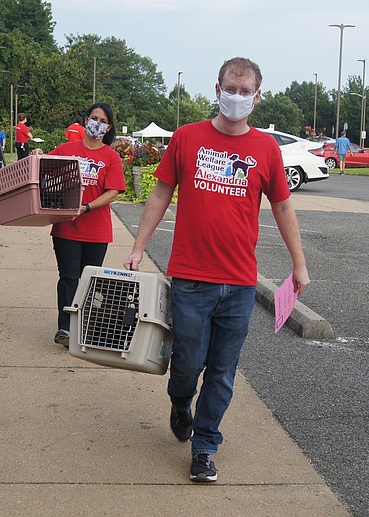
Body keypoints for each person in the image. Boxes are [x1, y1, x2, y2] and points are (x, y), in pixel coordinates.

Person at [124, 57, 310, 483]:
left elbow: (282, 205)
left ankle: (205, 445)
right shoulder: (188, 138)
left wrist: (299, 265)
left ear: (257, 96)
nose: (237, 97)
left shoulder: (266, 149)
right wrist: (138, 248)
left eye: (246, 92)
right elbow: (160, 194)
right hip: (190, 277)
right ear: (217, 88)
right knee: (187, 361)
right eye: (232, 88)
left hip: (240, 282)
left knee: (223, 371)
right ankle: (179, 399)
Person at [33, 103, 126, 348]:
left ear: (108, 127)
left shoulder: (110, 156)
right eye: (93, 118)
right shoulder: (66, 149)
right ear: (86, 120)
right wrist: (37, 153)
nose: (97, 123)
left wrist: (87, 207)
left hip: (96, 229)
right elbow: (42, 167)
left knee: (88, 280)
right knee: (69, 277)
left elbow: (113, 191)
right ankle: (66, 326)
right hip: (67, 228)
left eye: (102, 120)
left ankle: (82, 326)